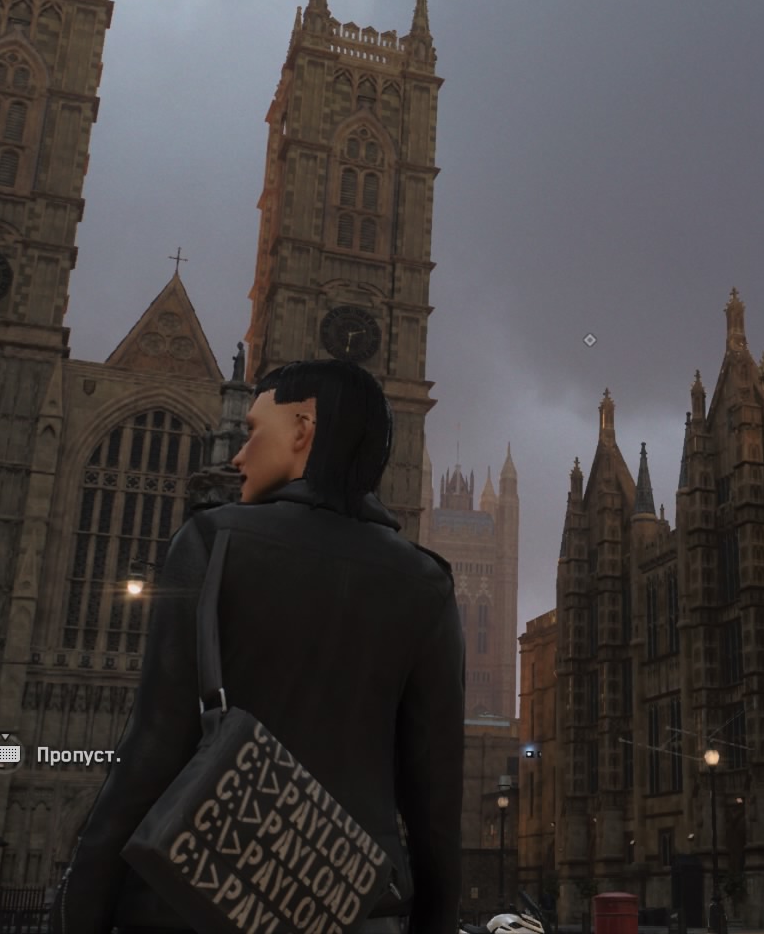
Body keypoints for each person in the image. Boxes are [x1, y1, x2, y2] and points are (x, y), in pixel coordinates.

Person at [55, 359, 464, 934]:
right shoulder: (427, 581)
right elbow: (435, 803)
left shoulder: (213, 541)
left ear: (303, 430)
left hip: (195, 901)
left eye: (252, 432)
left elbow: (152, 748)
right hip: (351, 908)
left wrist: (80, 912)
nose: (238, 456)